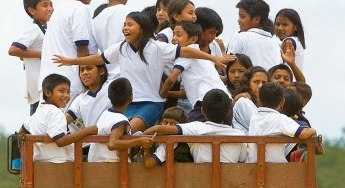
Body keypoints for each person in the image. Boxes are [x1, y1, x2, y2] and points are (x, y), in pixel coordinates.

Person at [53, 12, 231, 133]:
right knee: (114, 134)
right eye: (124, 24)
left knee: (124, 132)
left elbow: (188, 51)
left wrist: (213, 59)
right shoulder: (121, 48)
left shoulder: (156, 47)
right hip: (128, 104)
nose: (125, 28)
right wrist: (73, 61)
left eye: (130, 24)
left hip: (151, 103)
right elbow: (99, 58)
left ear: (143, 28)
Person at [158, 21, 235, 123]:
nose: (174, 38)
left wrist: (161, 95)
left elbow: (171, 79)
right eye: (173, 34)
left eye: (179, 35)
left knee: (188, 132)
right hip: (226, 102)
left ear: (193, 39)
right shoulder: (202, 58)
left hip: (207, 102)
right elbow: (188, 94)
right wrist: (169, 93)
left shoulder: (186, 54)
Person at [38, 0, 96, 99]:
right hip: (69, 85)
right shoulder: (79, 9)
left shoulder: (58, 10)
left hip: (48, 84)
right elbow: (82, 47)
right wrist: (87, 84)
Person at [144, 89, 247, 163]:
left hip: (199, 185)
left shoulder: (196, 127)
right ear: (228, 112)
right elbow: (242, 159)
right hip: (229, 186)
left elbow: (157, 129)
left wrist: (137, 141)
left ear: (202, 111)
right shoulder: (240, 135)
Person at [20, 74, 97, 163]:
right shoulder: (56, 113)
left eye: (68, 92)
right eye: (61, 91)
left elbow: (21, 131)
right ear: (47, 93)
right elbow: (60, 141)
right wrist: (88, 130)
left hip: (39, 162)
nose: (66, 95)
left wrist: (23, 156)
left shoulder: (38, 113)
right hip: (58, 164)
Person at [8, 0, 53, 114]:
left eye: (51, 4)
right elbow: (13, 50)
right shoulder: (34, 29)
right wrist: (43, 55)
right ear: (32, 10)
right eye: (45, 5)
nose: (49, 8)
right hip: (40, 92)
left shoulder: (46, 30)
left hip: (44, 91)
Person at [88, 77, 155, 162]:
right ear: (131, 98)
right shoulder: (120, 120)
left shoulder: (105, 114)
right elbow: (112, 144)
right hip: (110, 166)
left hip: (95, 162)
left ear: (109, 97)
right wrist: (138, 141)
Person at [247, 82, 317, 163]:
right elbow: (304, 134)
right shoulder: (280, 119)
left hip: (252, 165)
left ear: (259, 101)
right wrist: (313, 130)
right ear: (282, 102)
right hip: (276, 168)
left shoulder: (254, 117)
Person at [91, 0, 133, 80]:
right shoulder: (134, 15)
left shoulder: (95, 21)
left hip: (106, 81)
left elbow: (91, 54)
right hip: (131, 79)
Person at [227, 0, 281, 70]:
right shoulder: (275, 44)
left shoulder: (242, 37)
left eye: (242, 16)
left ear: (257, 19)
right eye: (239, 16)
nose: (239, 20)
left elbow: (230, 64)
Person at [65, 64, 111, 130]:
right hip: (91, 139)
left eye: (89, 68)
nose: (85, 73)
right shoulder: (80, 99)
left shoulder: (111, 88)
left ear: (101, 71)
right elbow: (65, 121)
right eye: (82, 70)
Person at [232, 66, 269, 134]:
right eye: (256, 82)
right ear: (247, 84)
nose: (260, 86)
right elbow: (262, 128)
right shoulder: (243, 101)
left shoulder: (266, 104)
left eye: (264, 82)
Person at [274, 8, 306, 72]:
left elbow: (277, 66)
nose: (280, 28)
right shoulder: (296, 41)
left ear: (295, 27)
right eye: (277, 24)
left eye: (284, 24)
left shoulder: (289, 42)